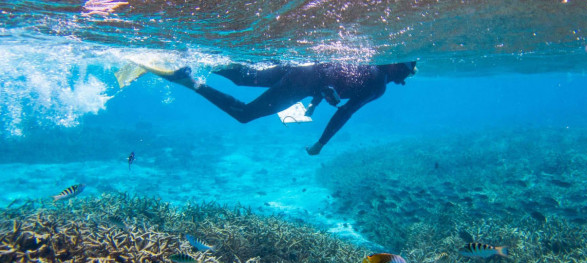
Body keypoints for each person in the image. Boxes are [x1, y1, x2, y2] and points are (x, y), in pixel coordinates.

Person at [153, 61, 417, 155]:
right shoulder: (378, 84)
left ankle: (191, 61)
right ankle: (190, 81)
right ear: (397, 66)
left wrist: (314, 104)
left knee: (241, 77)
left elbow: (335, 76)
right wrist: (320, 144)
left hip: (301, 68)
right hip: (301, 83)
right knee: (244, 114)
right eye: (408, 69)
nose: (405, 79)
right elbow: (344, 111)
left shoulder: (366, 60)